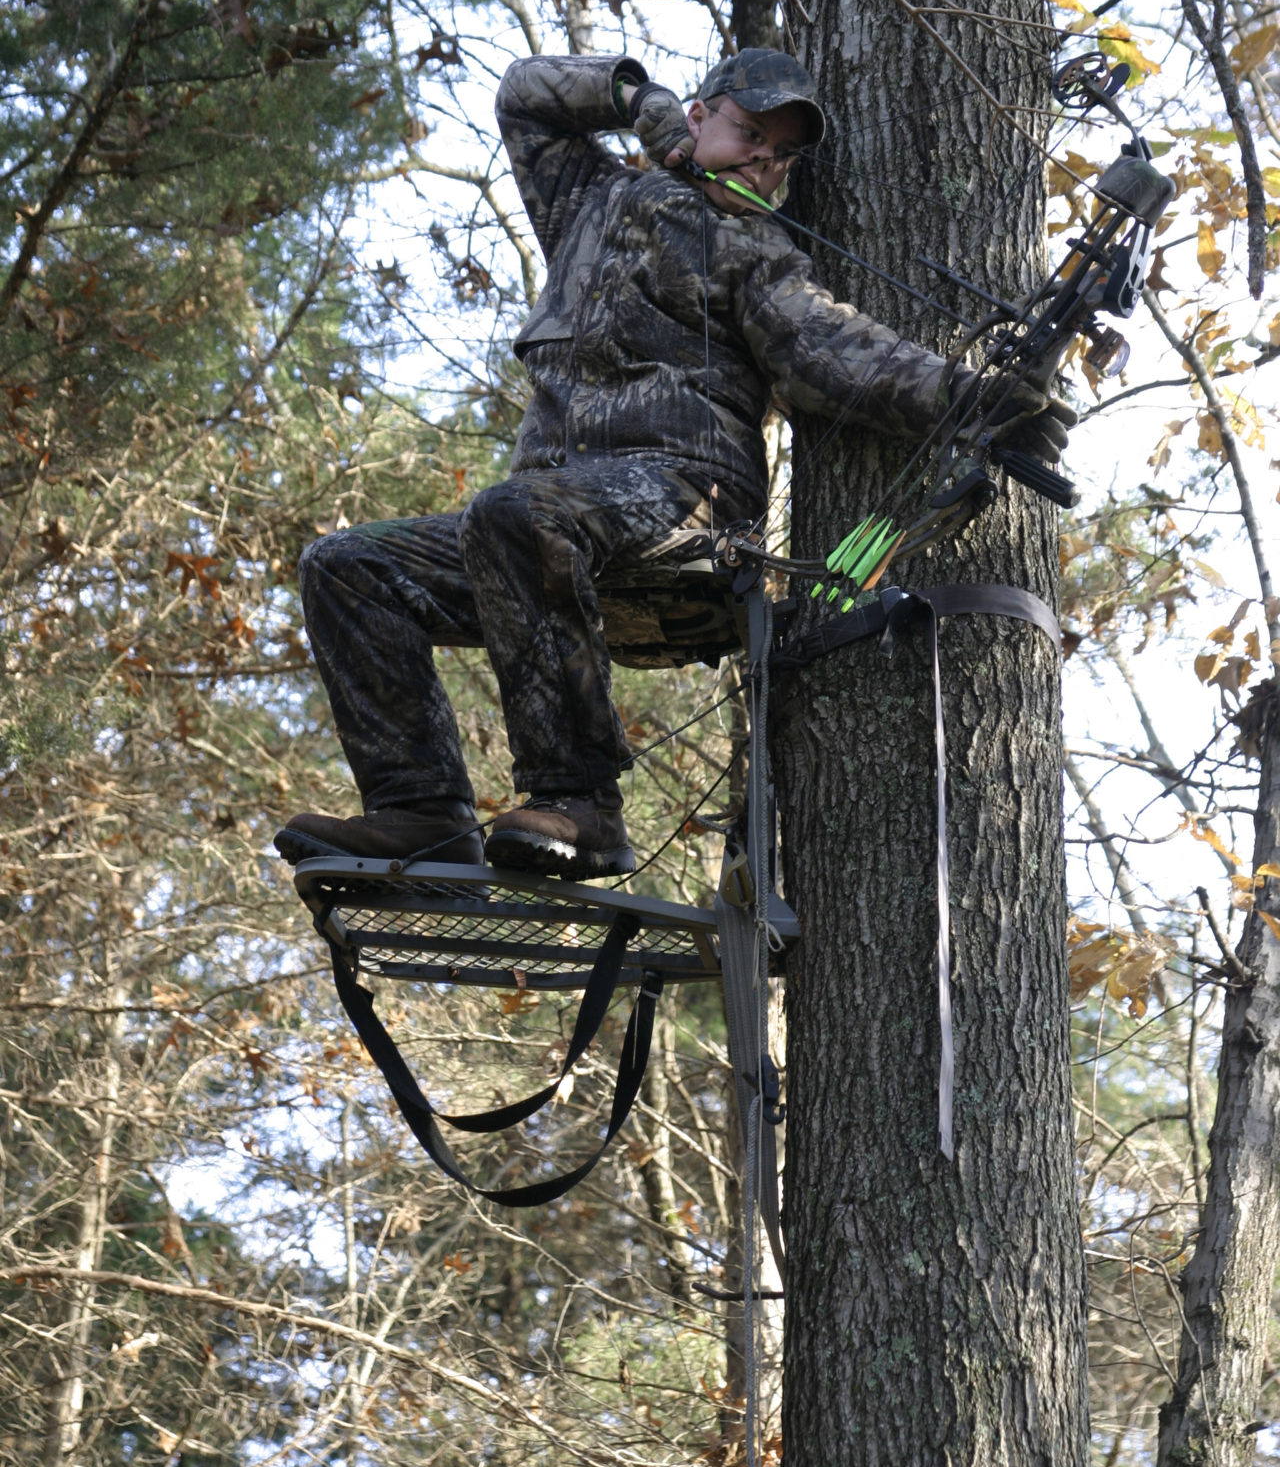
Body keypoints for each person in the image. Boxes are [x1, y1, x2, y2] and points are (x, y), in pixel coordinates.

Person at [276, 48, 1073, 880]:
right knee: (348, 568)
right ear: (699, 117)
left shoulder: (752, 251)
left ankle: (580, 804)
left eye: (781, 155)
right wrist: (638, 100)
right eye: (751, 133)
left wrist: (969, 396)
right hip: (541, 537)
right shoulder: (590, 197)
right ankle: (419, 812)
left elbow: (833, 352)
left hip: (686, 507)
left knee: (518, 513)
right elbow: (524, 97)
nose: (764, 162)